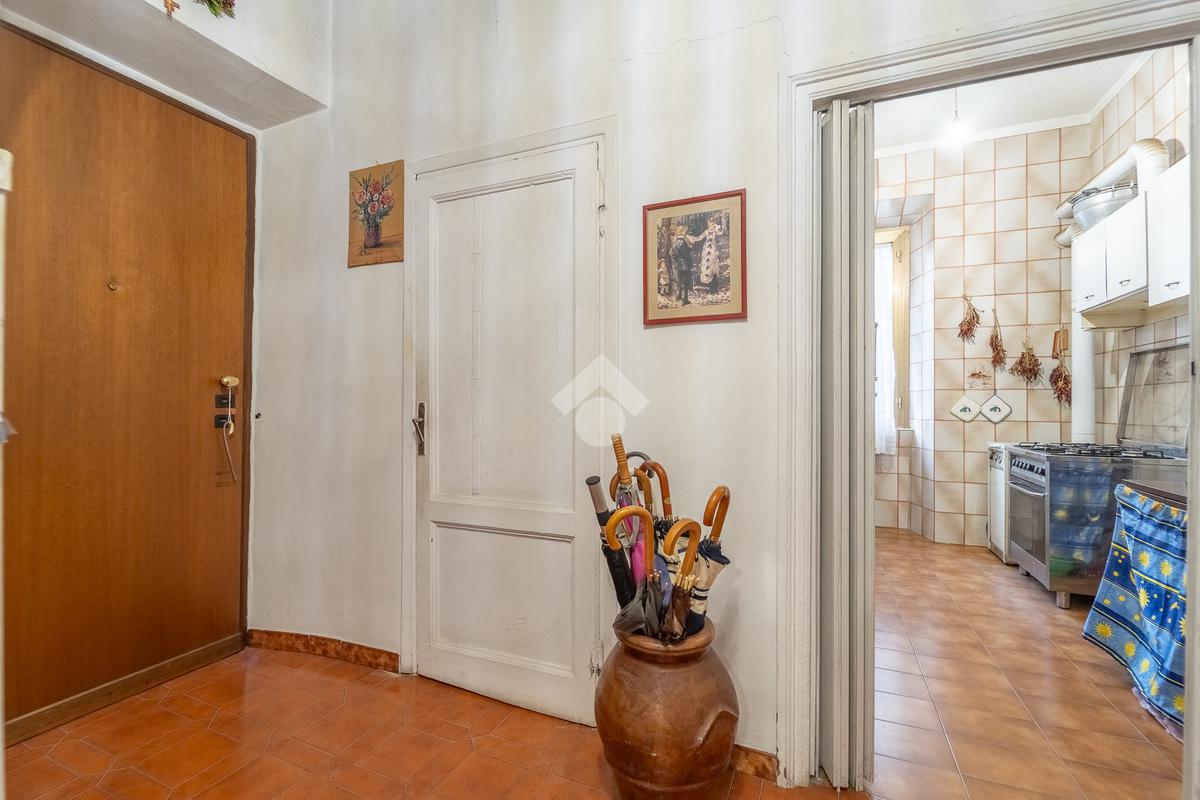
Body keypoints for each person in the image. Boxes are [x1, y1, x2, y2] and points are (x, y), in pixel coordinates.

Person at [691, 216, 723, 288]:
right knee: (705, 262)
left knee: (712, 262)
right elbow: (699, 238)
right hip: (706, 249)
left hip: (713, 249)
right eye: (710, 225)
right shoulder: (706, 231)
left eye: (712, 224)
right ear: (708, 225)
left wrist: (717, 227)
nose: (711, 226)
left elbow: (721, 233)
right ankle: (705, 279)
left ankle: (712, 280)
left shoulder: (715, 231)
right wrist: (693, 238)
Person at [669, 225, 695, 305]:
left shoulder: (675, 241)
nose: (686, 233)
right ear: (683, 232)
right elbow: (685, 253)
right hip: (684, 265)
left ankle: (678, 297)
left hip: (676, 266)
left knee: (679, 282)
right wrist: (691, 246)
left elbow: (671, 253)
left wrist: (676, 261)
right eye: (685, 231)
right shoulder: (683, 241)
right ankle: (684, 300)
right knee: (685, 283)